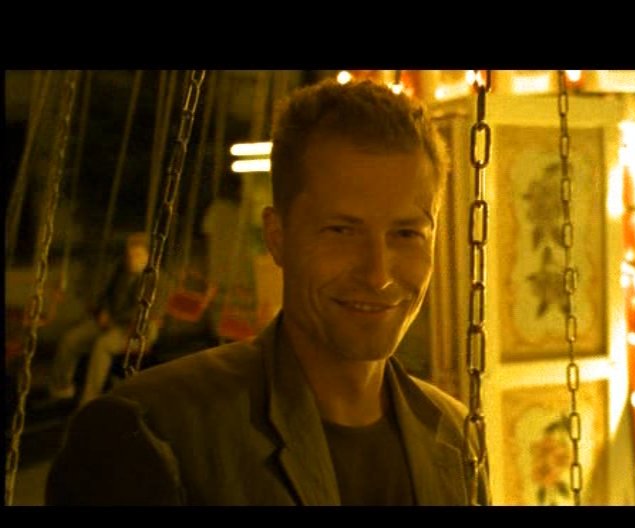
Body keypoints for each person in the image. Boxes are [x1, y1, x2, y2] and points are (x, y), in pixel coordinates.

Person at [46, 79, 489, 506]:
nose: (378, 275)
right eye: (341, 231)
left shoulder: (454, 436)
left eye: (407, 234)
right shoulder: (156, 432)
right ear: (277, 237)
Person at [44, 232, 155, 408]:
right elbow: (107, 293)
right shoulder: (122, 270)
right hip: (109, 320)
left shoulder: (153, 279)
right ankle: (61, 388)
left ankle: (89, 399)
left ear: (148, 256)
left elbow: (142, 311)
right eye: (130, 255)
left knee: (102, 346)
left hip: (134, 328)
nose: (132, 259)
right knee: (71, 339)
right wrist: (103, 310)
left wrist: (113, 320)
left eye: (138, 255)